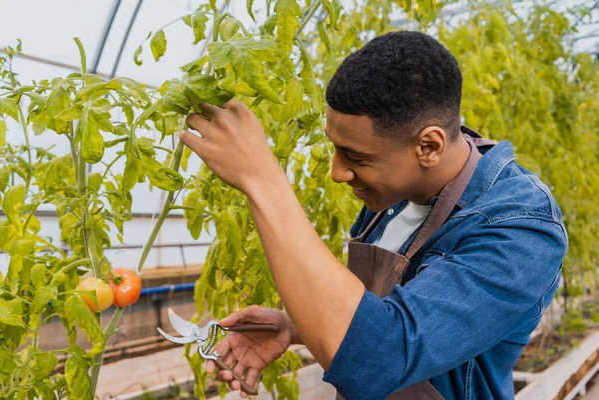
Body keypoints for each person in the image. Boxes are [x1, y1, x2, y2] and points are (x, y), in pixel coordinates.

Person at [178, 31, 568, 400]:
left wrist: (262, 180)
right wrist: (293, 327)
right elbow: (381, 306)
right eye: (336, 148)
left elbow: (380, 356)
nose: (337, 172)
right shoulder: (394, 193)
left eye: (356, 157)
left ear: (428, 146)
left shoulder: (521, 228)